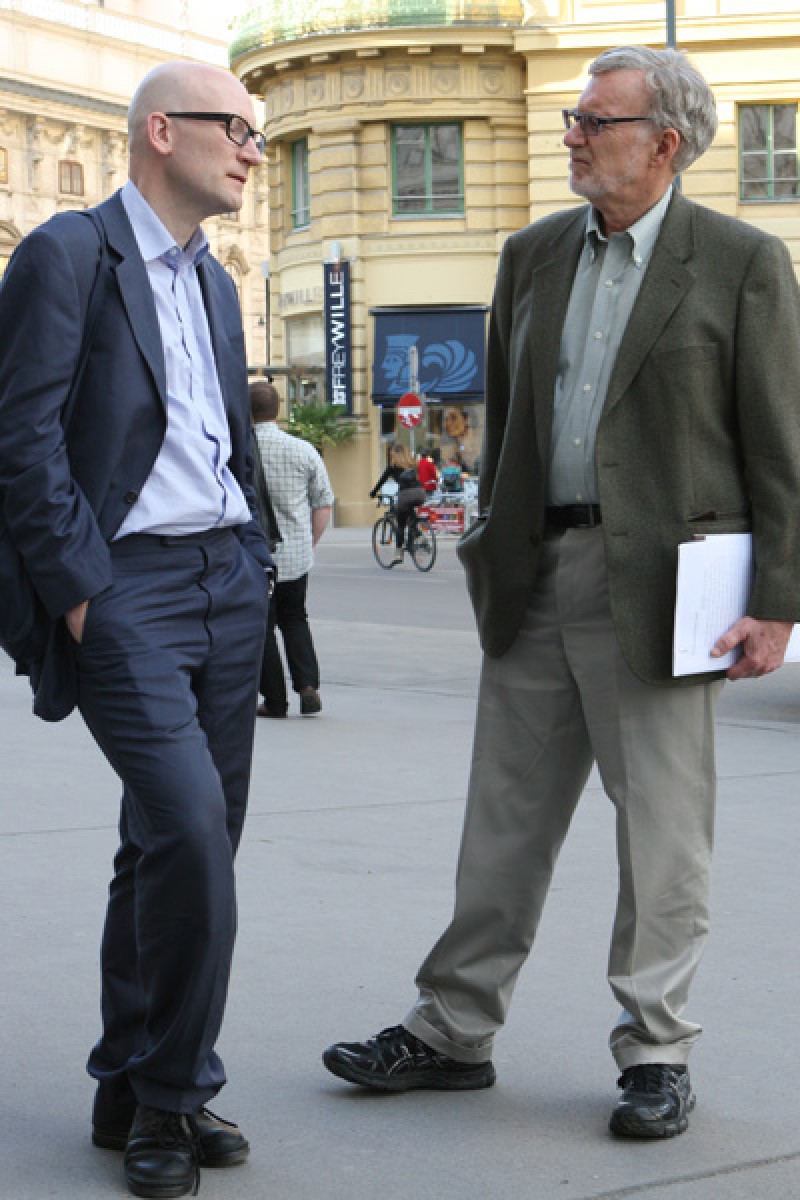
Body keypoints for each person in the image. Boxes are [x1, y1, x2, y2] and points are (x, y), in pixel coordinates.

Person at [323, 46, 800, 1139]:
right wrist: (492, 536)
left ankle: (654, 1050)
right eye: (574, 118)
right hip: (536, 572)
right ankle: (450, 1028)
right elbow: (508, 421)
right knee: (501, 823)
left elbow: (779, 448)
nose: (572, 135)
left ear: (663, 143)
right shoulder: (532, 253)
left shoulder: (737, 262)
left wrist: (775, 599)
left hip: (667, 588)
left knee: (661, 836)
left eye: (596, 120)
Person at [0, 62, 274, 1198]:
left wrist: (255, 551)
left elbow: (220, 440)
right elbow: (21, 435)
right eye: (237, 130)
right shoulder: (66, 254)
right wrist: (79, 589)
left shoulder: (213, 281)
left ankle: (125, 1080)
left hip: (227, 581)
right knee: (193, 836)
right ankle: (173, 1096)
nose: (253, 151)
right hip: (127, 591)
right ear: (162, 131)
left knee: (164, 846)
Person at [250, 379, 334, 718]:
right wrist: (308, 543)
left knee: (262, 627)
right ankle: (307, 684)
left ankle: (274, 699)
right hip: (296, 555)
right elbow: (323, 504)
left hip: (254, 557)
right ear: (278, 410)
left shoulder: (236, 449)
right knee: (295, 618)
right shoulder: (303, 450)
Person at [369, 443, 426, 562]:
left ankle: (399, 553)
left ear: (394, 454)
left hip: (405, 495)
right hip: (420, 493)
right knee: (410, 515)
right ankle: (417, 534)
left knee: (400, 522)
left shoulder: (393, 466)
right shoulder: (413, 464)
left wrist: (373, 492)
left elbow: (382, 480)